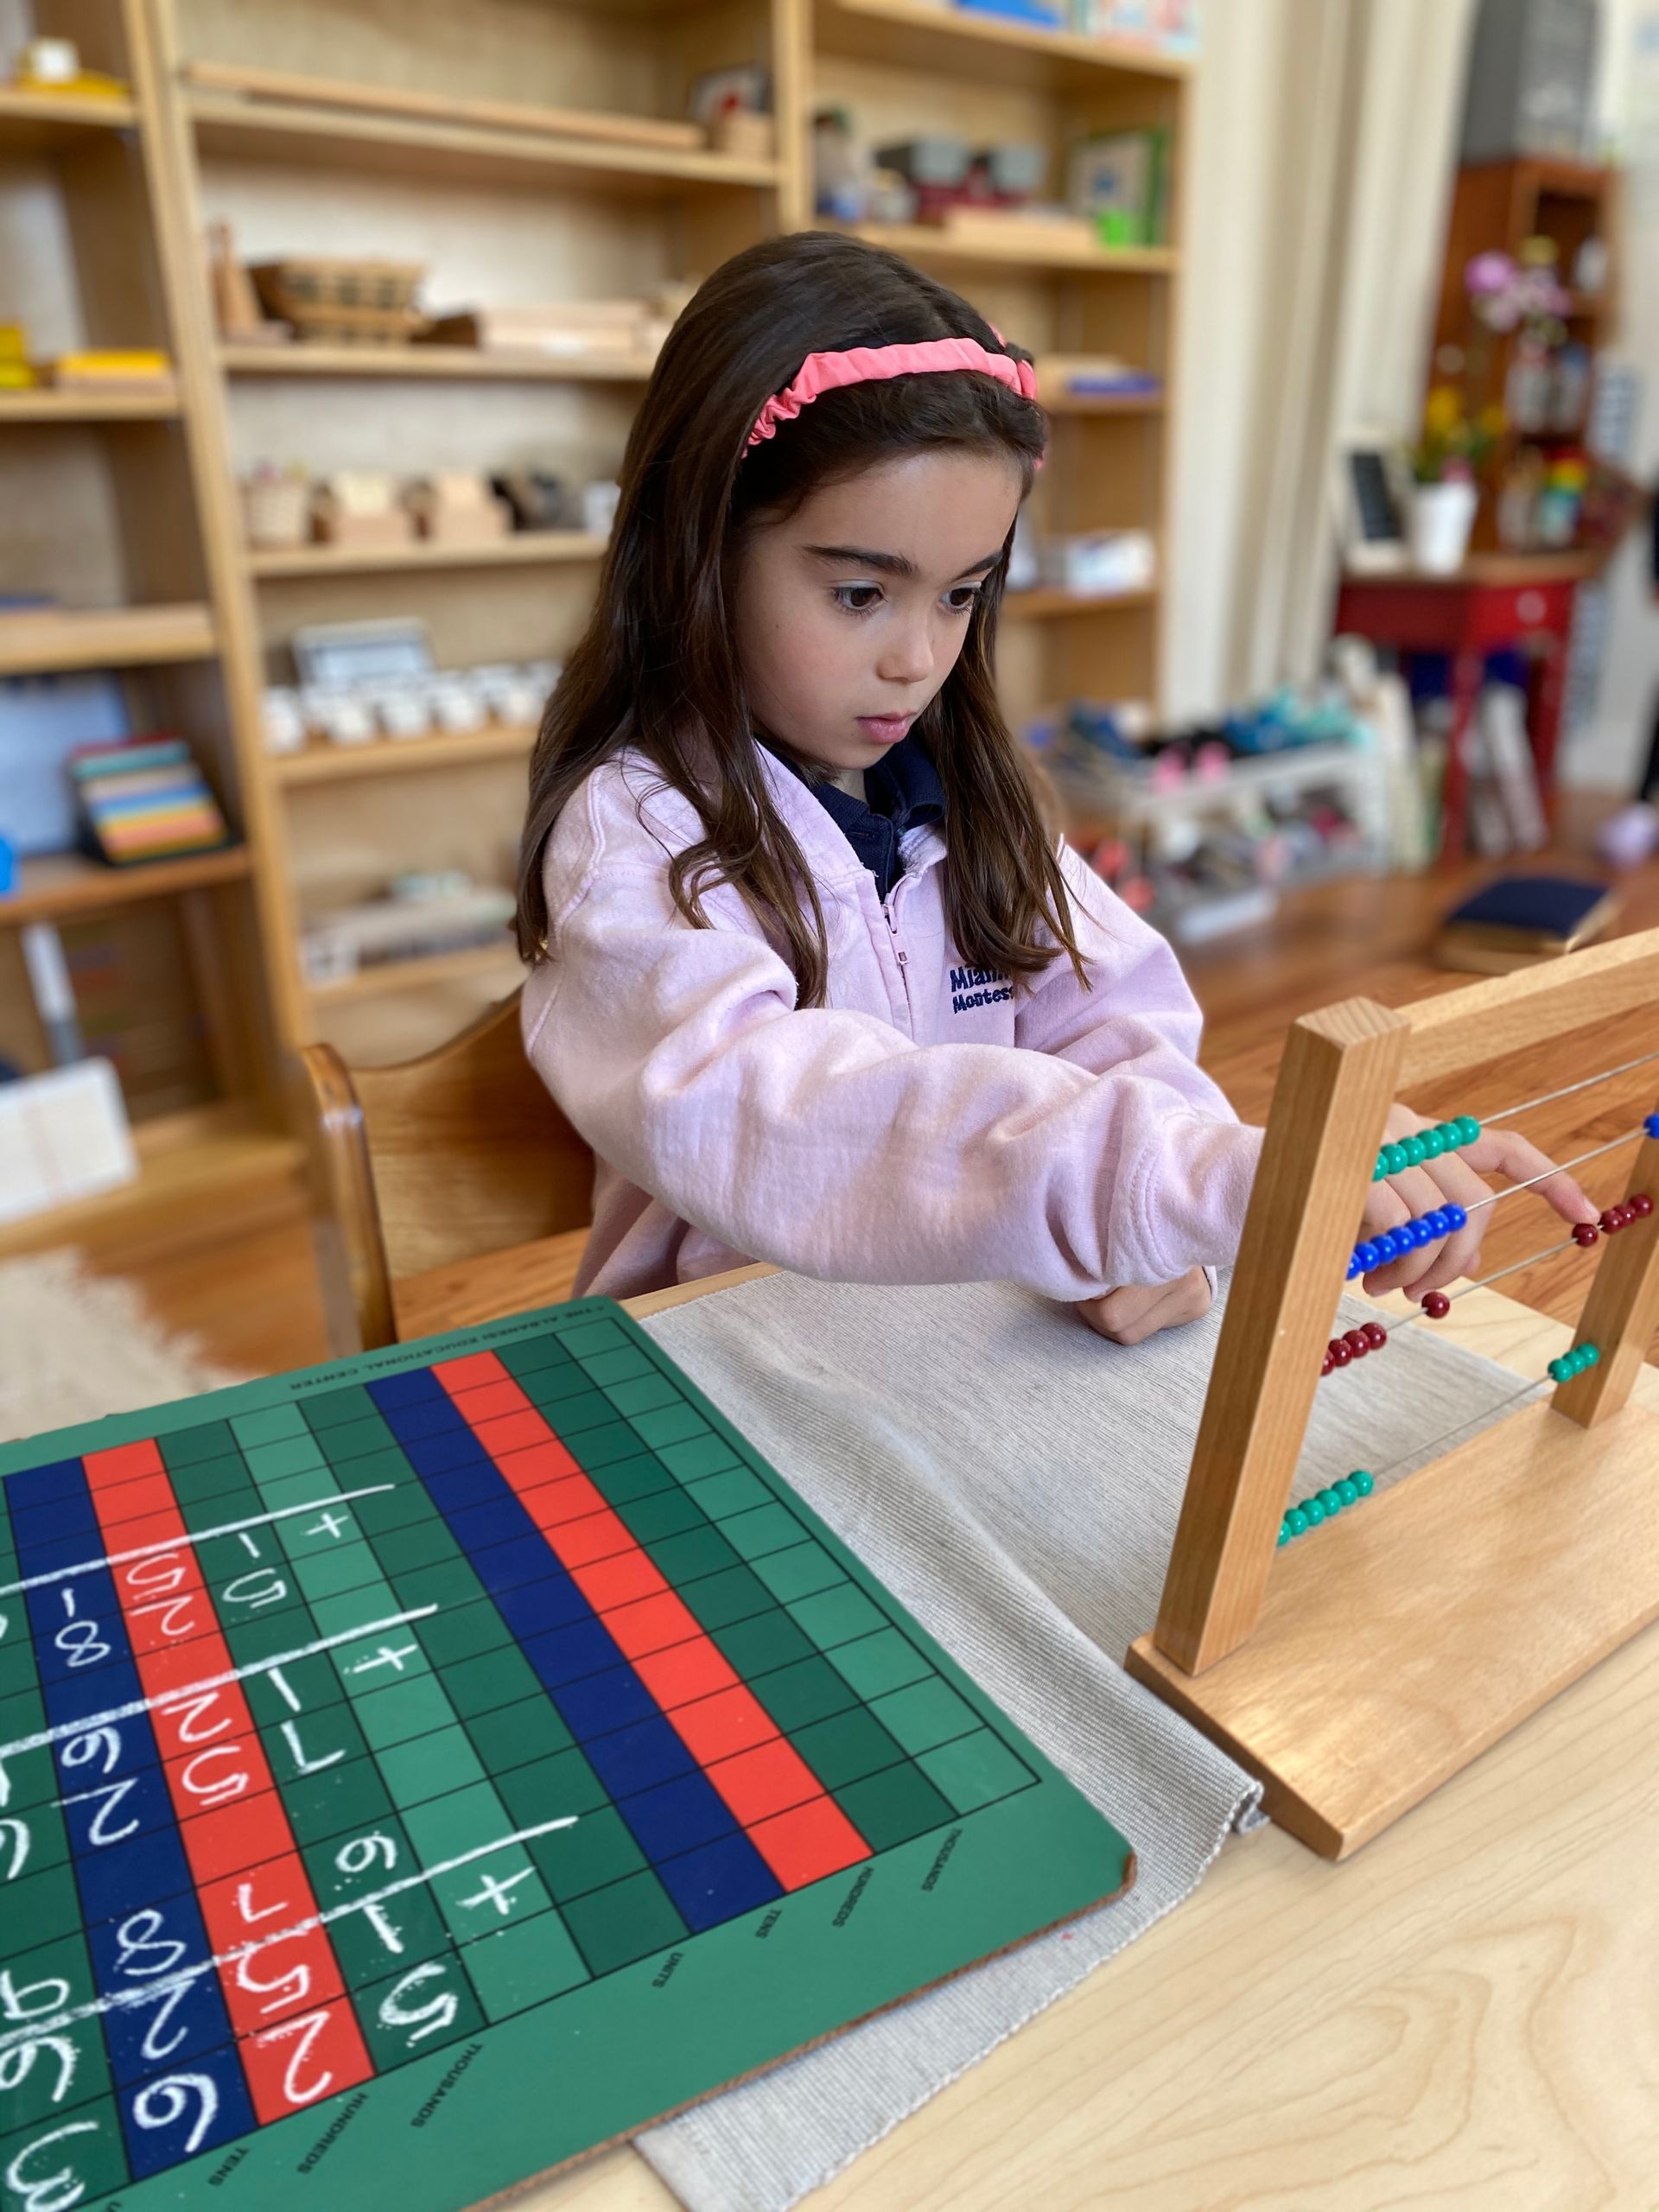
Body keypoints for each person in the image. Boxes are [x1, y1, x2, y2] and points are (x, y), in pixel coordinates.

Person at [517, 232, 1592, 1334]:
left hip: (944, 1347)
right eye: (858, 595)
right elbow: (783, 1118)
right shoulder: (634, 833)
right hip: (705, 1370)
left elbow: (1114, 1021)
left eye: (961, 595)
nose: (916, 658)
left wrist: (1167, 1216)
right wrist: (1168, 1183)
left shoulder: (978, 795)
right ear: (698, 548)